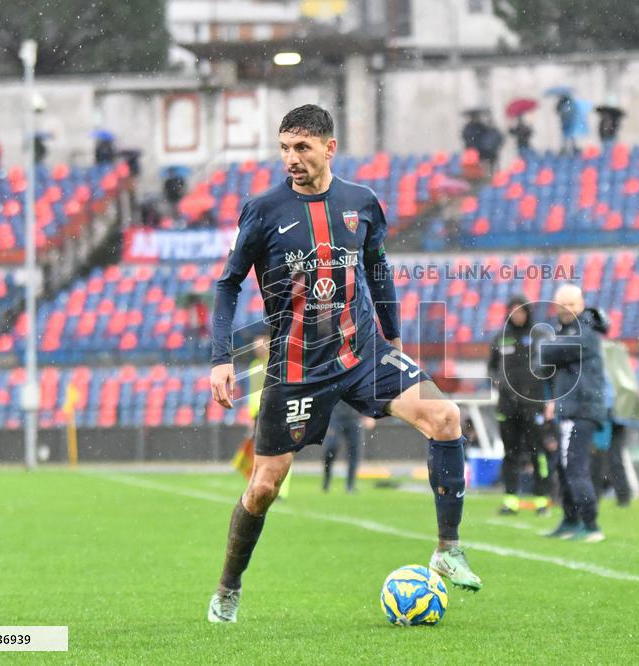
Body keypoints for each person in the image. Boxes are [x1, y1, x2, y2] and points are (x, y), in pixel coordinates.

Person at [207, 104, 482, 623]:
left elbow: (378, 270)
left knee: (446, 419)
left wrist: (395, 337)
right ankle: (228, 586)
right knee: (265, 486)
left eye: (302, 148)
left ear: (329, 148)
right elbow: (227, 284)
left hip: (363, 354)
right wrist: (222, 359)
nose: (291, 158)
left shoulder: (362, 202)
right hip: (295, 368)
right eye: (285, 147)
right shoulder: (263, 210)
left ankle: (447, 547)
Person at [539, 284, 607, 542]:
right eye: (562, 304)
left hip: (583, 409)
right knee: (564, 467)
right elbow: (542, 359)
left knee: (576, 467)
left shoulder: (585, 331)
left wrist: (549, 347)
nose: (566, 309)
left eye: (571, 304)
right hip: (570, 409)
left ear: (581, 304)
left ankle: (591, 524)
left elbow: (547, 352)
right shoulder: (564, 331)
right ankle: (570, 520)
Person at [487, 295, 549, 516]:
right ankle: (511, 500)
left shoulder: (539, 336)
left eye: (522, 311)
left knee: (537, 452)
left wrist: (546, 398)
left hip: (533, 404)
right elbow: (492, 368)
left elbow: (548, 370)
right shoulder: (500, 338)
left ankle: (542, 500)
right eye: (514, 311)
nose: (518, 315)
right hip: (507, 406)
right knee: (510, 453)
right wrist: (498, 382)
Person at [589, 307, 638, 507]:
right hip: (620, 411)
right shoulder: (616, 350)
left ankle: (596, 496)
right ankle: (623, 497)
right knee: (615, 456)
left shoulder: (594, 351)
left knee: (598, 455)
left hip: (605, 410)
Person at [322, 401, 365, 493]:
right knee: (331, 447)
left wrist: (368, 414)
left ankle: (350, 485)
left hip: (354, 417)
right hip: (336, 416)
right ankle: (326, 480)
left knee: (354, 450)